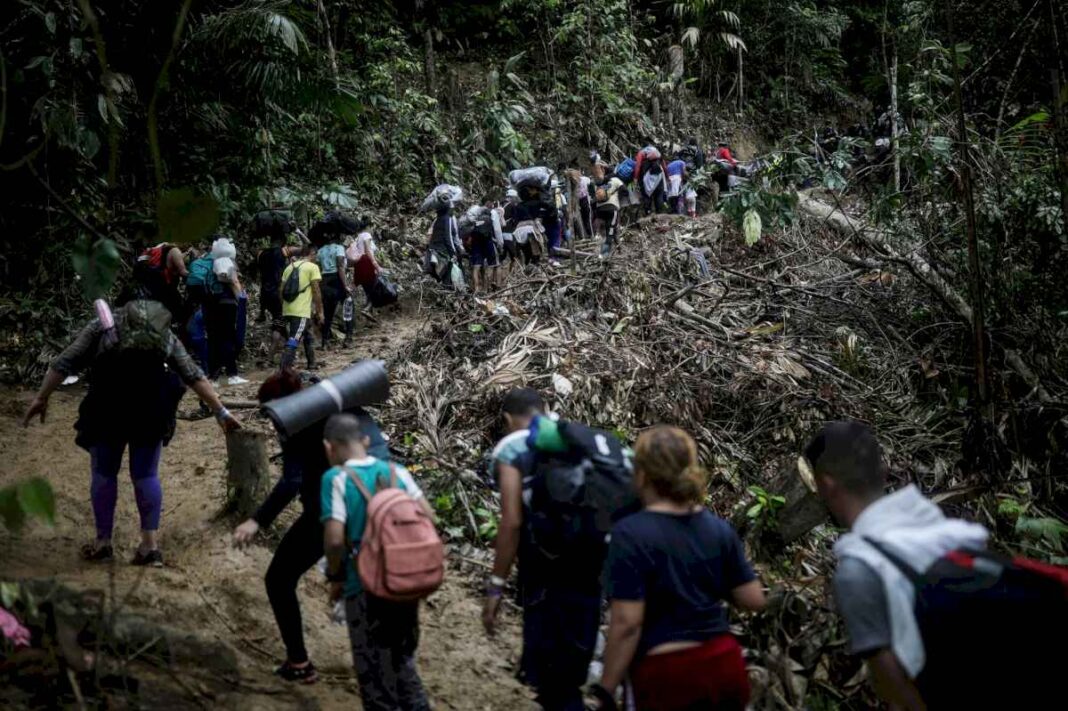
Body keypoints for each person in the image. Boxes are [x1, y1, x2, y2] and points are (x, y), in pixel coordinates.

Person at [232, 373, 424, 684]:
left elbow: (292, 481)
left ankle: (299, 663)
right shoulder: (343, 413)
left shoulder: (295, 422)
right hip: (378, 516)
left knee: (279, 580)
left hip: (327, 515)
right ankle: (403, 673)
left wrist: (258, 519)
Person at [22, 298, 239, 566]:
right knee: (146, 475)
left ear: (121, 309)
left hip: (107, 407)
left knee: (104, 473)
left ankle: (103, 543)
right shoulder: (162, 333)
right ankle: (150, 547)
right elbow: (193, 374)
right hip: (152, 408)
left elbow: (63, 363)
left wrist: (41, 397)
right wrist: (221, 412)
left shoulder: (99, 327)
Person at [805, 421, 993, 711]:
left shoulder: (859, 568)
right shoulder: (947, 531)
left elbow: (898, 691)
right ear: (882, 472)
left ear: (826, 484)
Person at [591, 426, 766, 711]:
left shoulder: (630, 534)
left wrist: (607, 690)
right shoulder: (718, 529)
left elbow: (627, 623)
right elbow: (753, 599)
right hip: (724, 665)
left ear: (642, 474)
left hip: (668, 674)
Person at [482, 388, 604, 711]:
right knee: (573, 674)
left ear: (508, 419)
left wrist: (496, 587)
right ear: (546, 409)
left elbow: (511, 523)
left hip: (545, 574)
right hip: (592, 568)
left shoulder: (511, 449)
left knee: (550, 681)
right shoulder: (582, 438)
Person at [321, 413, 431, 711]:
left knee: (374, 675)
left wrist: (336, 576)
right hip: (403, 582)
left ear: (329, 447)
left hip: (364, 585)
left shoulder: (336, 479)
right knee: (402, 662)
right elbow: (429, 517)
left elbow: (333, 540)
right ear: (366, 441)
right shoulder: (397, 472)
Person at [204, 237, 247, 386]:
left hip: (212, 304)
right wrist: (242, 300)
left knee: (215, 339)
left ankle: (213, 378)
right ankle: (232, 375)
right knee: (228, 338)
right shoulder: (226, 261)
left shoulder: (212, 263)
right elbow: (233, 281)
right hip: (227, 304)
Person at [280, 245, 324, 371]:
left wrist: (284, 306)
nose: (317, 258)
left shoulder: (289, 267)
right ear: (312, 253)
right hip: (300, 311)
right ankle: (284, 369)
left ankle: (312, 363)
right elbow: (316, 290)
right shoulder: (312, 267)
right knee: (294, 339)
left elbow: (281, 290)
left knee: (308, 335)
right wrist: (320, 311)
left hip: (288, 309)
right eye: (316, 255)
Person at [256, 230, 295, 355]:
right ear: (282, 241)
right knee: (278, 324)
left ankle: (290, 348)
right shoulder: (283, 252)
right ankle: (270, 356)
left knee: (278, 320)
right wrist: (298, 231)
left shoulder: (261, 253)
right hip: (278, 293)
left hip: (264, 294)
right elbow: (307, 248)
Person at [317, 226, 354, 350]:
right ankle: (348, 338)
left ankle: (324, 341)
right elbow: (340, 267)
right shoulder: (339, 248)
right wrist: (345, 286)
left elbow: (318, 267)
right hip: (336, 280)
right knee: (348, 307)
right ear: (337, 236)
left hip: (324, 281)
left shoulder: (320, 250)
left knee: (328, 313)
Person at [425, 204, 464, 286]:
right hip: (442, 251)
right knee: (447, 275)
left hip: (432, 250)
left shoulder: (437, 219)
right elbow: (448, 237)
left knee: (435, 276)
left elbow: (430, 234)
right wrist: (453, 252)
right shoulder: (449, 218)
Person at [347, 219, 383, 304]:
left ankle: (346, 299)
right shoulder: (367, 235)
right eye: (372, 227)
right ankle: (368, 308)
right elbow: (367, 250)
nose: (372, 230)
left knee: (359, 283)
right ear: (368, 226)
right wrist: (376, 265)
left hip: (359, 263)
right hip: (366, 261)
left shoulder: (358, 237)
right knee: (372, 284)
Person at [468, 205, 500, 293]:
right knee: (490, 266)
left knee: (476, 267)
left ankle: (477, 288)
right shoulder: (489, 219)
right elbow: (495, 231)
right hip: (487, 243)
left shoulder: (476, 220)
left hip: (476, 244)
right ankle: (486, 289)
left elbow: (471, 234)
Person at [594, 173, 625, 257]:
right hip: (611, 209)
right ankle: (604, 255)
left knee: (611, 230)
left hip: (600, 211)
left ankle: (619, 250)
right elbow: (625, 190)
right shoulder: (616, 180)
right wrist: (619, 198)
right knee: (610, 233)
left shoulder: (601, 186)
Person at [634, 146, 667, 215]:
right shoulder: (657, 153)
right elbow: (664, 166)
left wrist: (636, 178)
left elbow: (638, 166)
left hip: (647, 177)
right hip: (659, 176)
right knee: (659, 195)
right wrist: (667, 176)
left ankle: (648, 213)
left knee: (647, 195)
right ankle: (660, 214)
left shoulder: (641, 153)